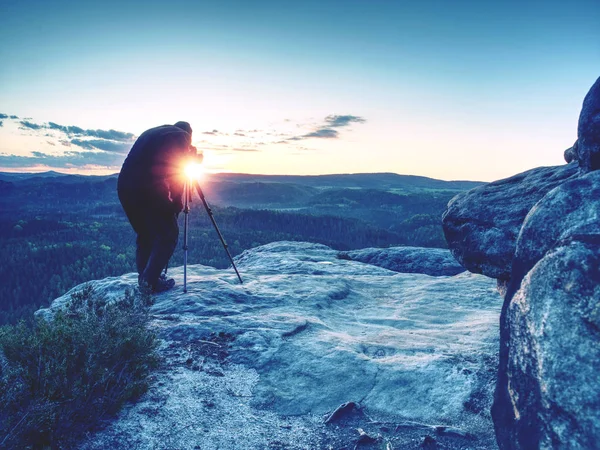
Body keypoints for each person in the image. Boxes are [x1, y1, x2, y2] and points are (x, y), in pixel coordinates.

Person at [117, 121, 199, 292]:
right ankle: (150, 283)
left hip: (125, 187)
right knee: (168, 234)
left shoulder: (156, 132)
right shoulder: (182, 136)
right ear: (189, 134)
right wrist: (175, 205)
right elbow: (176, 173)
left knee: (145, 234)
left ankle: (145, 279)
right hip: (148, 189)